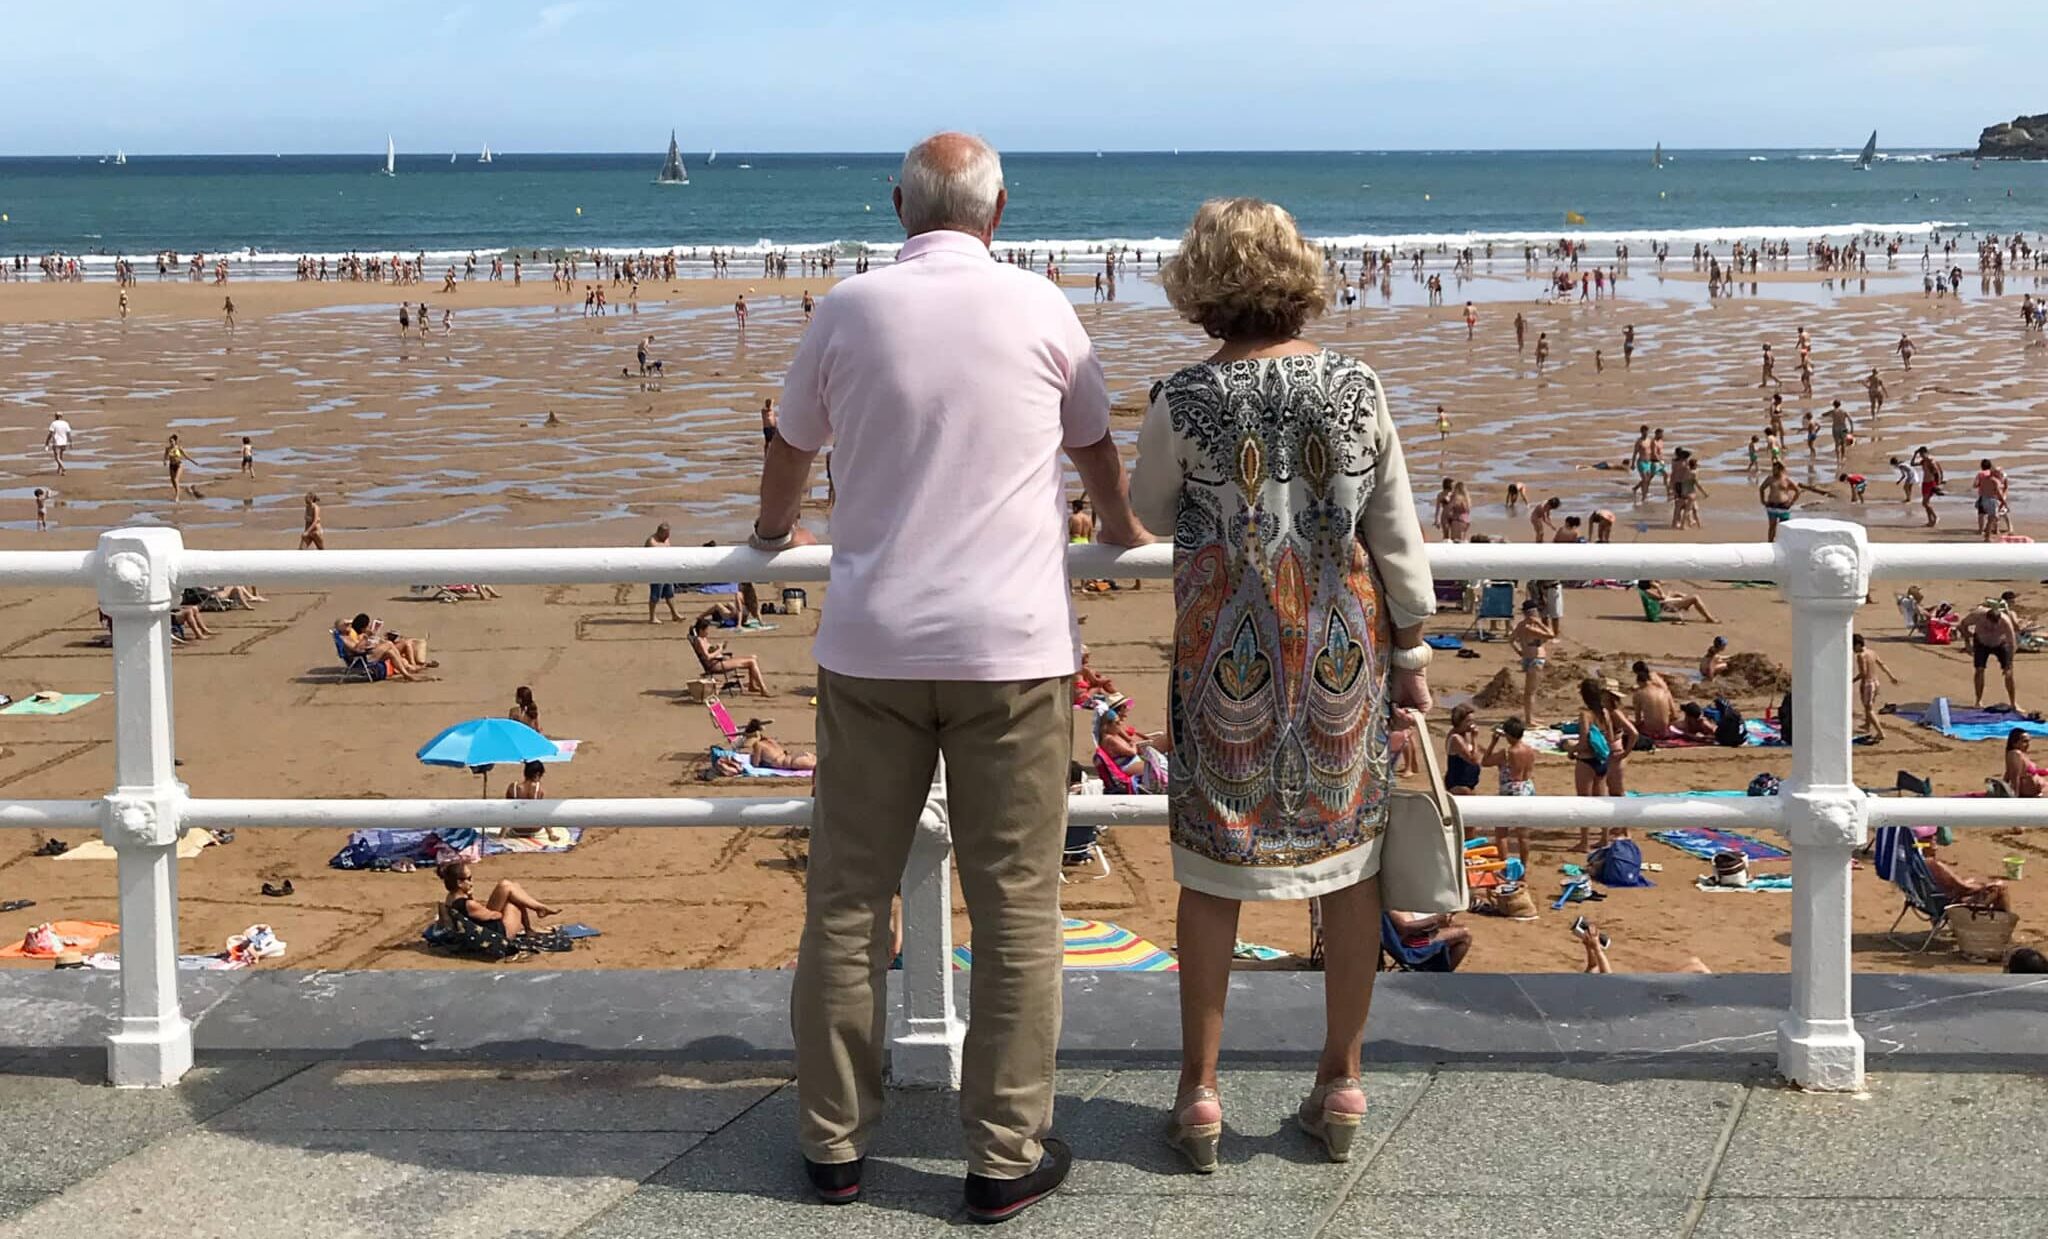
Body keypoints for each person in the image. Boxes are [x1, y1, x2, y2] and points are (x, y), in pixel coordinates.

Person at [751, 133, 1144, 1219]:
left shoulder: (846, 308)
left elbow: (788, 447)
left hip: (871, 644)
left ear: (895, 207)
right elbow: (1096, 448)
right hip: (1011, 651)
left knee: (843, 899)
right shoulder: (1040, 308)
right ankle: (1001, 1155)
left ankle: (832, 1146)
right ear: (998, 211)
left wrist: (771, 529)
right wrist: (1117, 528)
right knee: (1016, 906)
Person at [1128, 196, 1435, 1176]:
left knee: (1211, 872)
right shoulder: (1353, 385)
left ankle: (1199, 1092)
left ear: (1200, 283)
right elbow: (1394, 535)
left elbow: (1143, 510)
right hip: (1342, 663)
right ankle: (1339, 1079)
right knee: (1346, 866)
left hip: (1225, 661)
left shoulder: (1182, 399)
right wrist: (1415, 658)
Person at [1573, 677, 1639, 848]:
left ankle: (1584, 841)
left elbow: (1583, 742)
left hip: (1589, 760)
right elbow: (1610, 737)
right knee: (1602, 801)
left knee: (1584, 802)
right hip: (1603, 760)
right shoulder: (1607, 713)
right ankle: (1604, 837)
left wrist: (1569, 749)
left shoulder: (1586, 714)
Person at [437, 860, 559, 943]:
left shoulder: (451, 897)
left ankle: (538, 909)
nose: (472, 881)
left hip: (483, 926)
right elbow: (496, 915)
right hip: (500, 933)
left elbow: (474, 915)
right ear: (459, 883)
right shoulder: (469, 904)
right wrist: (504, 906)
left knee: (508, 886)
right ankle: (531, 925)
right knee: (514, 900)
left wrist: (470, 895)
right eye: (469, 878)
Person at [1480, 716, 1536, 867]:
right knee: (1523, 834)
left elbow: (1485, 761)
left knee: (1501, 832)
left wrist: (1493, 742)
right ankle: (1523, 869)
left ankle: (1504, 865)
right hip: (1527, 788)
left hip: (1510, 790)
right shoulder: (1529, 750)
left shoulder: (1507, 753)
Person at [689, 613, 768, 695]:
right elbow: (708, 657)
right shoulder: (699, 641)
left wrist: (717, 648)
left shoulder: (703, 638)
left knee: (753, 657)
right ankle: (763, 689)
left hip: (719, 661)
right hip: (717, 664)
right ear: (701, 630)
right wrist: (720, 650)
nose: (708, 632)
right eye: (707, 630)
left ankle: (752, 685)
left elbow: (708, 651)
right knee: (751, 662)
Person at [1965, 597, 2021, 710]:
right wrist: (1967, 643)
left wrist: (2009, 662)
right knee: (1979, 670)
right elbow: (1962, 625)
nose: (1992, 627)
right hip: (1981, 643)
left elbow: (2012, 644)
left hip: (2000, 643)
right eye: (1990, 624)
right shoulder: (1977, 615)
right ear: (1986, 618)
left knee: (2009, 673)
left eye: (1995, 624)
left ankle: (2013, 703)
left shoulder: (2006, 621)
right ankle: (1978, 701)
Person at [1384, 909, 1471, 972]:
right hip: (1412, 942)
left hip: (1419, 935)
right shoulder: (1393, 903)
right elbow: (1406, 927)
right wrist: (1435, 920)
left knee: (1460, 930)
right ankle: (1440, 977)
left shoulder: (1396, 898)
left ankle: (1438, 974)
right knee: (1464, 935)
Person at [1510, 600, 1554, 723]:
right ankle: (1529, 719)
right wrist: (1539, 623)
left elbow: (1511, 640)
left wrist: (1519, 651)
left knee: (1530, 691)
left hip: (1528, 658)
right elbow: (1551, 634)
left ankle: (1530, 716)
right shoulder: (1530, 627)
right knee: (1530, 692)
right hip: (1536, 659)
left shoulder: (1520, 625)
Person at [1852, 633, 1899, 741]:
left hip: (1867, 684)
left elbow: (1863, 673)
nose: (1853, 650)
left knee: (1869, 709)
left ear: (1858, 645)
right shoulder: (1872, 652)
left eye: (1853, 646)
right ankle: (1867, 725)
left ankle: (1880, 732)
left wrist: (1853, 680)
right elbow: (1882, 664)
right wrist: (1891, 676)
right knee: (1868, 706)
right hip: (1875, 682)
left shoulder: (1861, 656)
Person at [644, 522, 684, 624]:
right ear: (660, 532)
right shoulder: (652, 542)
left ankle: (674, 614)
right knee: (655, 595)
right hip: (656, 572)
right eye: (666, 534)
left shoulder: (665, 540)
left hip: (666, 571)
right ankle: (652, 617)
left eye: (668, 534)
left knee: (669, 594)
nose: (667, 536)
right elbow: (656, 558)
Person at [744, 717, 816, 771]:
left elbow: (755, 764)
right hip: (796, 755)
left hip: (791, 762)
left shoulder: (758, 745)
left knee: (822, 769)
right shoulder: (770, 740)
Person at [1631, 661, 1678, 737]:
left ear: (1639, 682)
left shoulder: (1639, 694)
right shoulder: (1666, 691)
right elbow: (1675, 715)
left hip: (1649, 731)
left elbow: (1638, 720)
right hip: (1664, 730)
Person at [1639, 579, 1719, 623]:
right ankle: (1709, 618)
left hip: (1663, 603)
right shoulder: (1648, 591)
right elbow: (1662, 598)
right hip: (1666, 606)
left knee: (1677, 593)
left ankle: (1687, 604)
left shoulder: (1645, 588)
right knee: (1695, 597)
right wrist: (1658, 587)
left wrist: (1660, 583)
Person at [1758, 461, 1801, 542]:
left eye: (1775, 469)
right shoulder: (1770, 478)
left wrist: (1791, 502)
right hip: (1772, 506)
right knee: (1772, 527)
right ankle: (1770, 543)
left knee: (1784, 527)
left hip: (1784, 506)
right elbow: (1762, 488)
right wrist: (1763, 500)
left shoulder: (1786, 479)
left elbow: (1797, 491)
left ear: (1780, 469)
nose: (1773, 471)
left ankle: (1784, 543)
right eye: (1773, 469)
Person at [1444, 705, 1481, 794]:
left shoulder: (1463, 735)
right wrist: (1474, 738)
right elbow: (1473, 760)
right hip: (1460, 785)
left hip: (1469, 783)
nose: (1472, 724)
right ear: (1459, 721)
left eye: (1473, 721)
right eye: (1468, 721)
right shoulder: (1456, 738)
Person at [1975, 459, 2010, 542]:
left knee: (1990, 519)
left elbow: (1981, 489)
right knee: (1992, 519)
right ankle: (1987, 537)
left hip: (1984, 499)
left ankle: (1987, 536)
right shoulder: (1995, 481)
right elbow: (1999, 494)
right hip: (1992, 500)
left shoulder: (1984, 479)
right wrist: (2004, 503)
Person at [2004, 730, 2045, 798]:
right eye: (2025, 741)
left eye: (2029, 741)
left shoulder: (2020, 754)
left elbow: (2008, 773)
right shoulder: (2016, 754)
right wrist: (2015, 797)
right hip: (2030, 793)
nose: (2028, 744)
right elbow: (2015, 776)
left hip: (2037, 791)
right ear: (2014, 743)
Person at [162, 434, 188, 501]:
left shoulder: (179, 448)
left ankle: (177, 497)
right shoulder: (167, 449)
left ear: (175, 441)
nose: (171, 442)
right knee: (173, 481)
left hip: (179, 465)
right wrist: (164, 461)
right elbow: (165, 456)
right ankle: (178, 491)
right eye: (170, 441)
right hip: (171, 465)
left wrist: (193, 461)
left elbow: (185, 455)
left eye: (172, 441)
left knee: (176, 479)